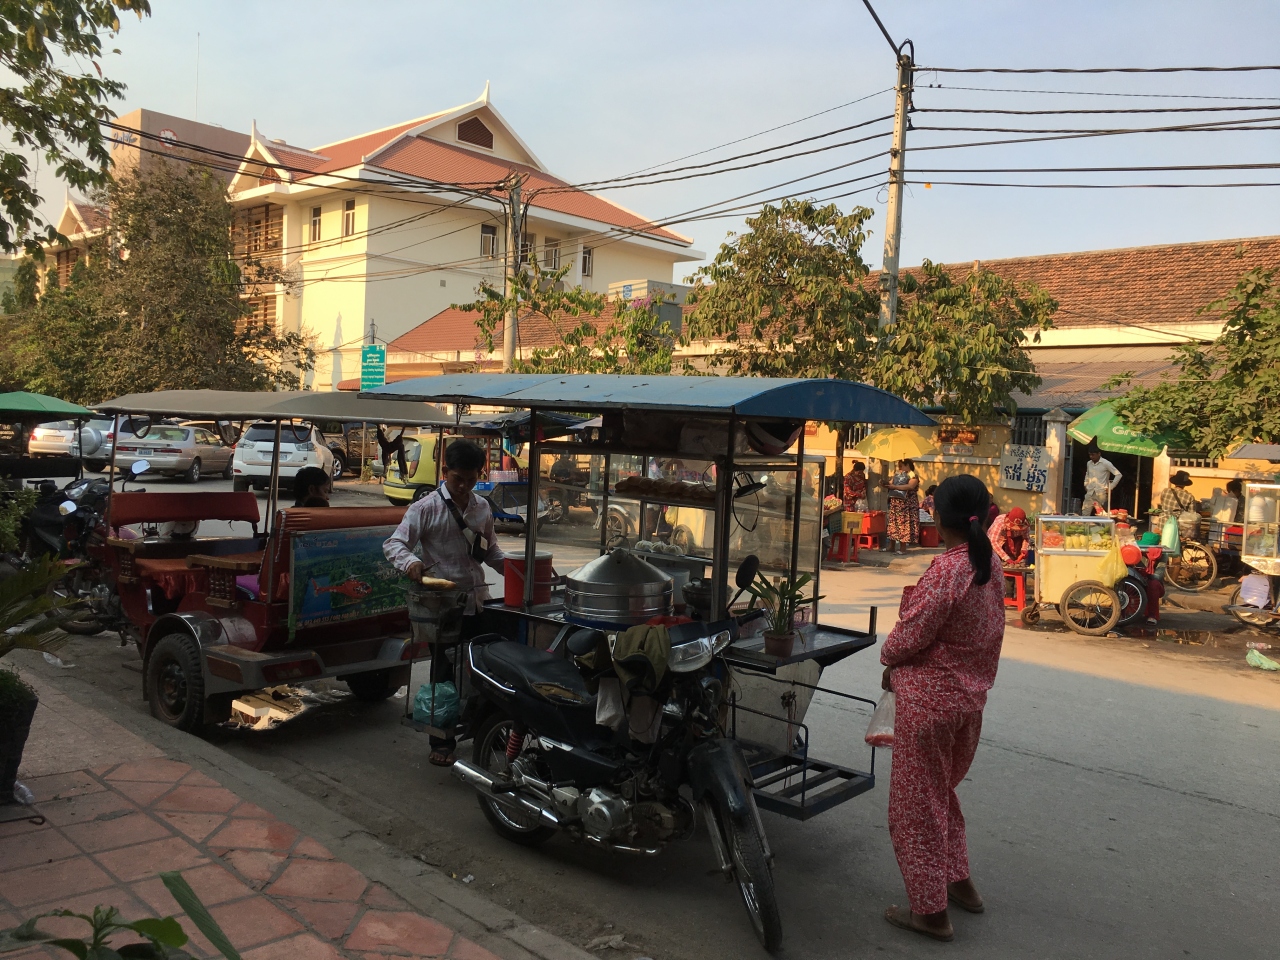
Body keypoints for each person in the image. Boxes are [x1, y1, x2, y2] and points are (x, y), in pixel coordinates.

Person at [880, 474, 1005, 942]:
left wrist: (888, 658)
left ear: (936, 515)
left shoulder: (948, 569)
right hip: (968, 704)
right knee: (940, 794)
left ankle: (930, 912)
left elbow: (910, 635)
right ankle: (958, 882)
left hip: (929, 705)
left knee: (916, 806)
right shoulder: (988, 563)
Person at [383, 439, 506, 766]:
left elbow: (490, 550)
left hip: (478, 601)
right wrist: (411, 562)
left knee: (484, 670)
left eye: (471, 479)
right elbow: (394, 544)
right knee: (443, 673)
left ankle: (484, 732)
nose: (464, 486)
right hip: (443, 609)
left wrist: (518, 569)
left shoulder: (482, 507)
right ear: (445, 471)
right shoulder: (425, 508)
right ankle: (441, 740)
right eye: (458, 479)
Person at [885, 458, 920, 554]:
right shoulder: (897, 475)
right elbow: (891, 483)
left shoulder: (913, 476)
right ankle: (891, 546)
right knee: (893, 524)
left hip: (907, 505)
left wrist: (895, 487)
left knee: (904, 525)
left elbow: (910, 486)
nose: (899, 468)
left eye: (901, 466)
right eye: (899, 466)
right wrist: (885, 484)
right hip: (896, 504)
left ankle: (903, 548)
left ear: (907, 465)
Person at [1082, 445, 1122, 516]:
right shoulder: (1089, 463)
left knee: (1103, 515)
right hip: (1090, 492)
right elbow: (1087, 474)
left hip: (1101, 494)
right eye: (1090, 455)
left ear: (1099, 454)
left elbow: (1118, 474)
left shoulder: (1106, 463)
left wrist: (1111, 487)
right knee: (1085, 514)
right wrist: (1086, 484)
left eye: (1093, 455)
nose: (1091, 457)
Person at [1160, 470, 1200, 540]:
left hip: (1162, 524)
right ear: (1185, 485)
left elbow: (1162, 503)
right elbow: (1191, 514)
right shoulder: (1189, 496)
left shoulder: (1165, 491)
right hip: (1177, 527)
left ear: (1175, 483)